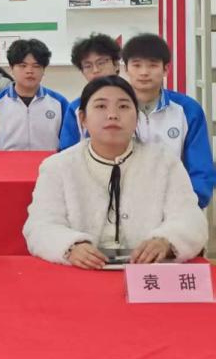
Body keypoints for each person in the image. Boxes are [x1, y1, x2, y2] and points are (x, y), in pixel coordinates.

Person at [23, 76, 207, 268]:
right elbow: (40, 226)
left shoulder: (164, 162)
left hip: (147, 272)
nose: (112, 115)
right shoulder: (58, 166)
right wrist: (70, 246)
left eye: (123, 106)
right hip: (81, 272)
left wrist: (166, 241)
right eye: (101, 106)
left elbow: (191, 219)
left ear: (137, 118)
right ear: (83, 118)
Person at [119, 34, 214, 207]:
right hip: (121, 205)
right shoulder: (112, 109)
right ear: (126, 68)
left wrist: (189, 205)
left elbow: (201, 168)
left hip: (176, 205)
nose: (144, 72)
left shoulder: (187, 110)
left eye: (153, 65)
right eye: (137, 65)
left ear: (165, 69)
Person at [0, 39, 68, 151]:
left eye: (36, 66)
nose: (29, 71)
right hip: (5, 162)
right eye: (23, 65)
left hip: (49, 162)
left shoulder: (59, 104)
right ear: (11, 69)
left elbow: (70, 144)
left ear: (43, 70)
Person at [58, 33, 121, 149]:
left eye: (101, 63)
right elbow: (67, 151)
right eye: (88, 66)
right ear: (82, 71)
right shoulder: (76, 108)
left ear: (116, 64)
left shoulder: (134, 102)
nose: (95, 70)